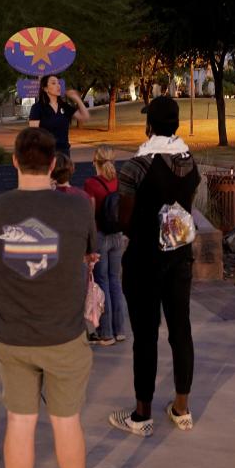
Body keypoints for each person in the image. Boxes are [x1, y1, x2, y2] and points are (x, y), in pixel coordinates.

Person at [0, 127, 97, 468]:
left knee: (19, 422)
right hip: (64, 334)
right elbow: (88, 253)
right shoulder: (79, 206)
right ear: (52, 165)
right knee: (66, 422)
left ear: (14, 161)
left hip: (13, 334)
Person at [109, 96, 200, 437]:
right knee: (181, 331)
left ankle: (142, 414)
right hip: (180, 257)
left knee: (145, 336)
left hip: (145, 260)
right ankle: (181, 408)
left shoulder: (137, 166)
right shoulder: (190, 162)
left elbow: (125, 219)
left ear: (150, 126)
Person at [84, 145, 127, 345]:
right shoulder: (118, 182)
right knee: (116, 281)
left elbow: (90, 215)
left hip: (100, 236)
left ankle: (106, 331)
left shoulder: (91, 184)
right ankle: (120, 329)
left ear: (96, 162)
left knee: (102, 283)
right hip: (118, 235)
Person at [28, 75, 89, 157]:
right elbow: (33, 133)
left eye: (58, 83)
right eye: (53, 83)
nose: (58, 85)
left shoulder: (64, 106)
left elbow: (85, 117)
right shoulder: (37, 108)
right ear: (45, 89)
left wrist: (78, 99)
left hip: (64, 153)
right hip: (46, 153)